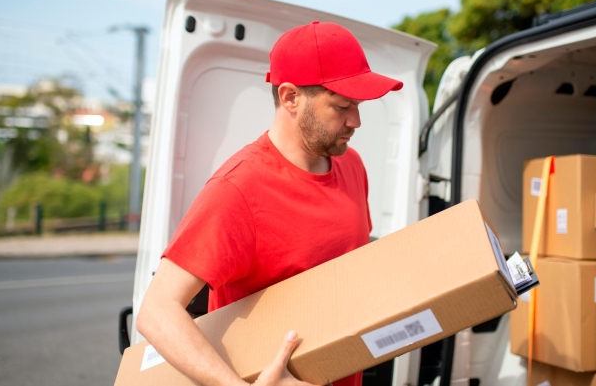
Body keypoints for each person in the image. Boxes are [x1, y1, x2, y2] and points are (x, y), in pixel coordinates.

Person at [136, 20, 404, 386]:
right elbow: (156, 311)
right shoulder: (239, 188)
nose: (355, 121)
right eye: (342, 106)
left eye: (357, 105)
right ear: (291, 97)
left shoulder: (351, 165)